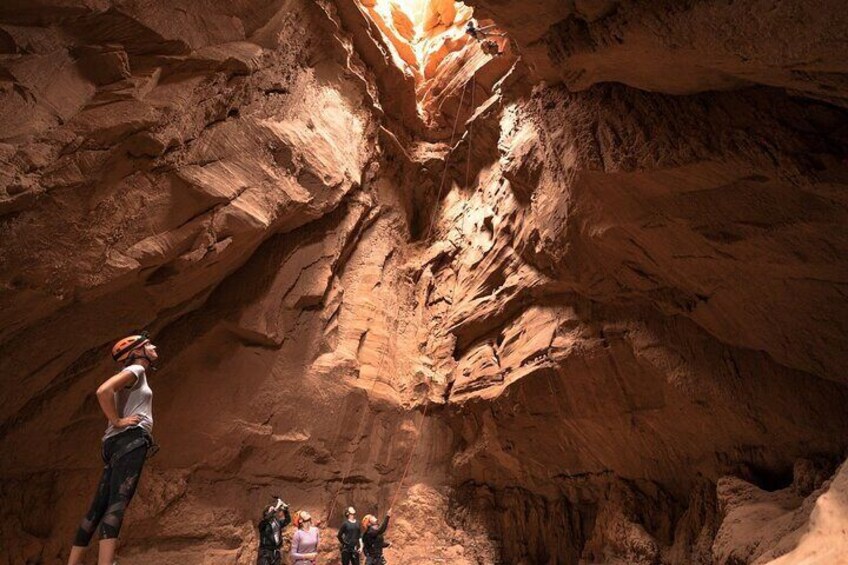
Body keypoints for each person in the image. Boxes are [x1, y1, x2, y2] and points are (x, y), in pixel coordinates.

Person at [67, 332, 159, 565]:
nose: (154, 346)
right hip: (130, 440)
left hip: (112, 444)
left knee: (96, 509)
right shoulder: (136, 371)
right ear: (136, 352)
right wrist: (118, 420)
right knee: (118, 503)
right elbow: (102, 391)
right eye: (148, 344)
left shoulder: (132, 375)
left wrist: (116, 424)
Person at [257, 497, 291, 565]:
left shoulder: (277, 522)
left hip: (276, 552)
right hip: (265, 552)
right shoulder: (263, 524)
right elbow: (266, 519)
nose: (274, 510)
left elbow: (287, 520)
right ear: (267, 513)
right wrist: (276, 508)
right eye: (271, 509)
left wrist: (285, 510)